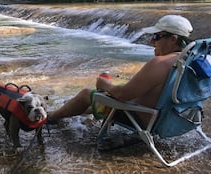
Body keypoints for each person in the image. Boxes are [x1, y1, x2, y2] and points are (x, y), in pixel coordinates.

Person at [47, 15, 193, 127]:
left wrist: (103, 84)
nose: (152, 42)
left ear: (173, 39)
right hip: (172, 119)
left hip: (141, 118)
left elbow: (122, 95)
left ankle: (51, 117)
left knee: (87, 94)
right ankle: (73, 110)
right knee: (104, 97)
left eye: (156, 37)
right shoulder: (191, 61)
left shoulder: (161, 63)